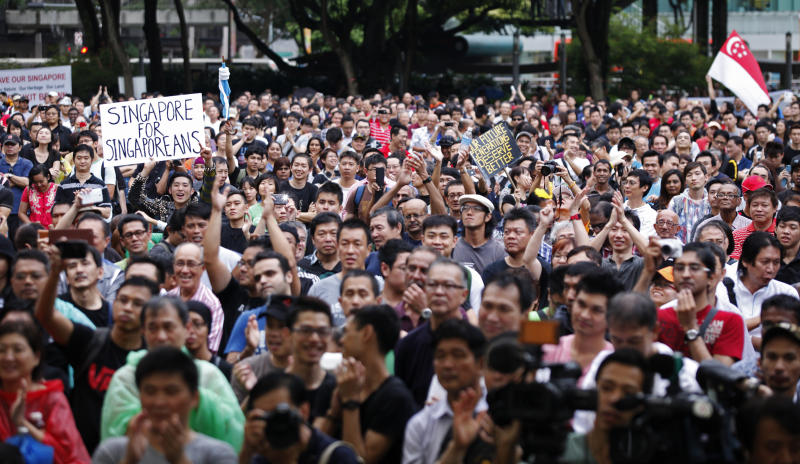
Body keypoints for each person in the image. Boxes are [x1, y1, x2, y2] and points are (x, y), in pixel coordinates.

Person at [35, 242, 159, 452]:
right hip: (83, 452)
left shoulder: (153, 358)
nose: (127, 307)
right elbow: (46, 316)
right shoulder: (90, 341)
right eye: (123, 300)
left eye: (137, 303)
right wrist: (55, 273)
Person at [100, 296, 244, 451]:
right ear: (143, 331)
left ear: (186, 328)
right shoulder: (126, 378)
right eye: (153, 328)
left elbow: (234, 432)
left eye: (168, 327)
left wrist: (199, 401)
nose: (161, 337)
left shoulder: (207, 375)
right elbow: (114, 436)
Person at [573, 292, 701, 433]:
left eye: (634, 341)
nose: (625, 348)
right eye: (617, 340)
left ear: (655, 331)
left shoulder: (684, 373)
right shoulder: (602, 364)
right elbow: (584, 423)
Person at [92, 346, 237, 463]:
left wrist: (179, 460)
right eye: (150, 391)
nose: (159, 402)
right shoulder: (113, 452)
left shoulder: (218, 455)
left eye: (171, 391)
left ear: (194, 398)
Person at [324, 305, 417, 464]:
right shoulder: (343, 384)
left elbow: (359, 460)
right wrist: (334, 412)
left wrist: (350, 404)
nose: (341, 340)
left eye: (347, 332)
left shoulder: (396, 398)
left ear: (366, 333)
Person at [0, 321, 91, 463]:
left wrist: (22, 424)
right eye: (2, 350)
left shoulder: (51, 398)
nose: (8, 357)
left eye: (17, 350)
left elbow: (67, 454)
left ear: (36, 357)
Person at [402, 319, 487, 464]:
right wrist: (456, 448)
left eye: (458, 355)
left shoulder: (496, 417)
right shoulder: (420, 425)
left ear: (480, 363)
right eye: (440, 356)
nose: (447, 365)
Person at [395, 257, 471, 407]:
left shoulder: (474, 344)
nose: (439, 292)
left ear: (463, 295)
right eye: (432, 285)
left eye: (448, 286)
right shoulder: (408, 345)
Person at [239, 372, 361, 464]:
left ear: (304, 411)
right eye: (266, 417)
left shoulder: (337, 456)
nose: (275, 422)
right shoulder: (263, 457)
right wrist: (247, 450)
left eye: (280, 413)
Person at [657, 242, 745, 366]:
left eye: (694, 268)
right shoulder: (658, 316)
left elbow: (718, 377)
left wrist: (691, 328)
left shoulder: (730, 320)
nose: (686, 274)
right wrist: (646, 273)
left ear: (711, 277)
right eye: (680, 268)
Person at [559, 349, 653, 464]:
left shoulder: (651, 458)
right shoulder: (560, 450)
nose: (614, 399)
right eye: (606, 388)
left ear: (642, 404)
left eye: (628, 393)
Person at [543, 270, 622, 378]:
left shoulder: (615, 363)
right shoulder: (550, 349)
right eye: (581, 304)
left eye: (596, 310)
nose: (585, 315)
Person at [308, 219, 375, 325]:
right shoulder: (318, 289)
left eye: (357, 244)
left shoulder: (379, 287)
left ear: (369, 250)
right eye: (345, 244)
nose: (350, 251)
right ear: (338, 247)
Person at [284, 296, 337, 424]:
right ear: (288, 335)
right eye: (305, 330)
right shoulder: (273, 389)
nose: (314, 338)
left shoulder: (339, 390)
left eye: (322, 331)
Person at [732, 232, 798, 336]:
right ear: (745, 261)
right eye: (765, 262)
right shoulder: (725, 289)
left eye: (776, 262)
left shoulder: (786, 293)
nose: (771, 269)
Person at [166, 243, 224, 353]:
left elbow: (211, 349)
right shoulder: (167, 299)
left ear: (202, 268)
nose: (184, 270)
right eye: (180, 263)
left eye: (191, 264)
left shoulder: (212, 304)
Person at [452, 194, 506, 275]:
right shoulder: (452, 247)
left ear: (488, 216)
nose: (469, 212)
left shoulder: (499, 251)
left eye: (476, 209)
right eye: (465, 208)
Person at [478, 270, 536, 339]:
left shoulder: (540, 347)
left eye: (504, 309)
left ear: (525, 315)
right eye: (487, 306)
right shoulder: (465, 347)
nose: (492, 318)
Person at [186, 301, 233, 379]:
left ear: (208, 328)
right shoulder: (175, 368)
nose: (191, 331)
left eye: (197, 324)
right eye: (186, 326)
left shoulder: (224, 369)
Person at [731, 188, 779, 260]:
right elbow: (735, 265)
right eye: (755, 205)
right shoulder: (737, 235)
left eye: (764, 205)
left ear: (775, 208)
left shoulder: (781, 234)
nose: (759, 209)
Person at [669, 162, 710, 242]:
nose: (693, 178)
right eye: (689, 175)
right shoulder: (676, 201)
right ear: (685, 181)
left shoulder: (712, 201)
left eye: (697, 174)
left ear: (706, 177)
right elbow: (669, 227)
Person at [18, 164, 57, 228]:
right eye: (35, 182)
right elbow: (21, 213)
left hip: (53, 229)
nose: (39, 185)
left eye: (41, 181)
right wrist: (31, 225)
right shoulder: (29, 189)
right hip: (35, 231)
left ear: (48, 177)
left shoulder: (57, 189)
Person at [378, 239, 412, 308]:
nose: (411, 274)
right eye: (404, 268)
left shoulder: (417, 306)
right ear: (385, 269)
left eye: (412, 269)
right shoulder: (371, 304)